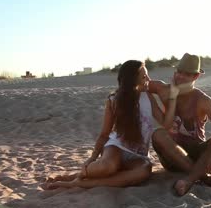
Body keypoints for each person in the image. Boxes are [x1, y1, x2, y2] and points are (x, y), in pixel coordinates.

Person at [41, 60, 179, 190]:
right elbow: (104, 134)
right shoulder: (114, 100)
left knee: (143, 171)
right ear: (132, 80)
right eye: (144, 77)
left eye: (148, 75)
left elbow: (166, 124)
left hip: (138, 154)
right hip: (116, 148)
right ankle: (77, 175)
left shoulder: (148, 97)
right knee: (108, 167)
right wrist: (92, 157)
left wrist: (172, 98)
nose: (148, 80)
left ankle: (81, 183)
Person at [148, 53, 211, 196]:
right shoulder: (163, 89)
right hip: (170, 156)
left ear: (195, 77)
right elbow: (138, 82)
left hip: (196, 154)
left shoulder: (202, 99)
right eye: (179, 72)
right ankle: (205, 179)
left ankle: (189, 179)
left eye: (187, 74)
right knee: (158, 135)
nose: (180, 77)